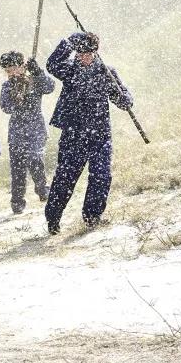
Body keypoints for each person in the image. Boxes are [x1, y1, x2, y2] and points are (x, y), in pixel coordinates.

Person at [44, 32, 134, 235]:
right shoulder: (69, 70)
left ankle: (92, 217)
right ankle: (53, 218)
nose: (83, 57)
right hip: (73, 134)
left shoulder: (106, 72)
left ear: (95, 52)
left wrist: (125, 99)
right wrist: (69, 42)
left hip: (100, 135)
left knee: (101, 176)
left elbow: (123, 98)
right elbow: (51, 64)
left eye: (87, 53)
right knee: (65, 178)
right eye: (79, 53)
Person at [0, 51, 55, 214]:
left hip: (36, 128)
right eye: (7, 71)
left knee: (35, 157)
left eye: (13, 69)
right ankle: (17, 201)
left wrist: (37, 72)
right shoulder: (7, 86)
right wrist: (16, 99)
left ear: (22, 66)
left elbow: (50, 87)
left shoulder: (34, 80)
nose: (11, 73)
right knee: (17, 168)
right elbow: (5, 107)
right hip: (17, 131)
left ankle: (42, 188)